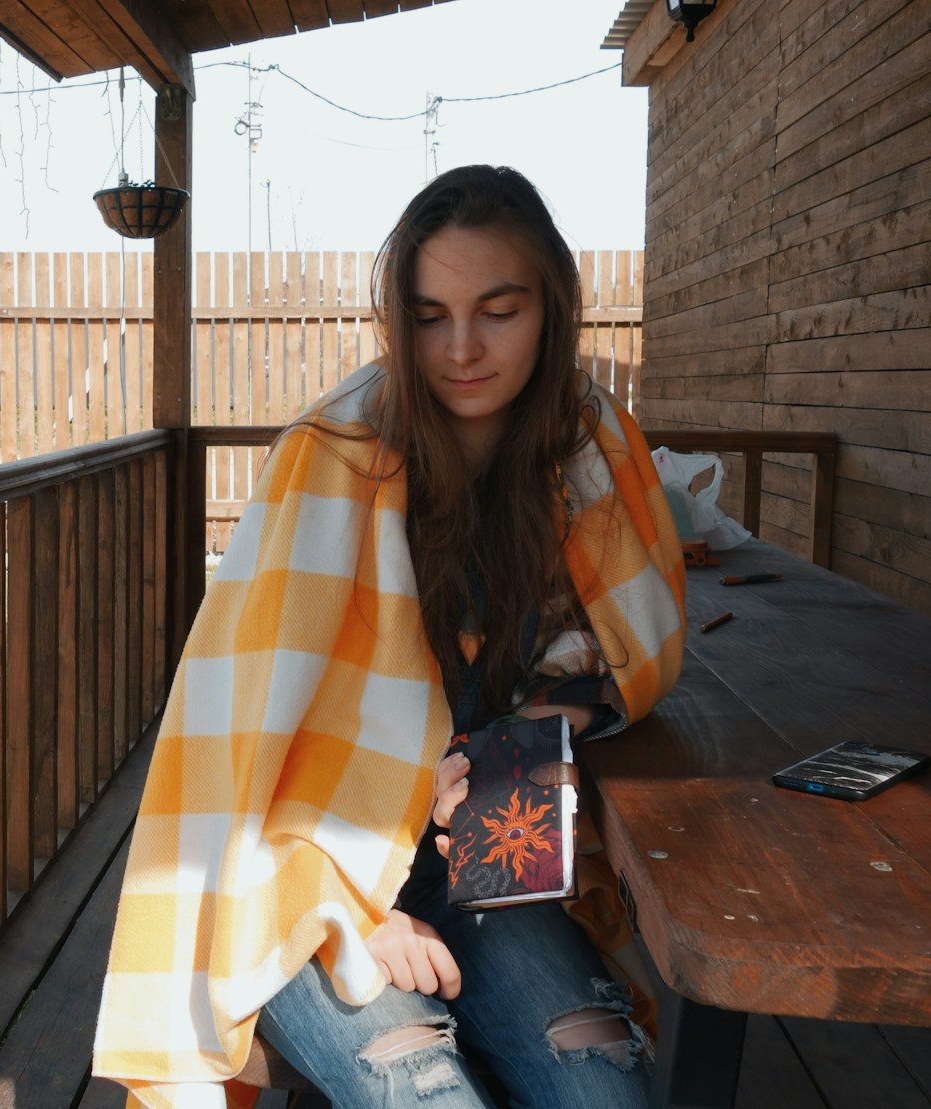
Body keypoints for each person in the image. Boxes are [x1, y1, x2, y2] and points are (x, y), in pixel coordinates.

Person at [92, 165, 686, 1108]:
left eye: (499, 309)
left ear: (556, 308)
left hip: (488, 868)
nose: (460, 348)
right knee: (429, 1095)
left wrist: (515, 753)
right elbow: (242, 757)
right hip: (302, 888)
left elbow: (620, 649)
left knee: (604, 1090)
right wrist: (352, 916)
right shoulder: (330, 459)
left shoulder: (588, 445)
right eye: (428, 314)